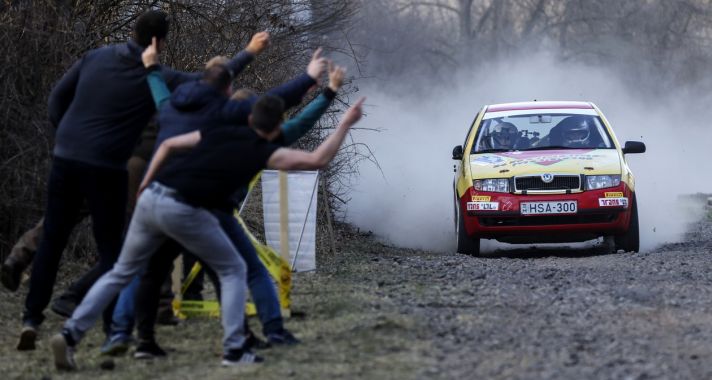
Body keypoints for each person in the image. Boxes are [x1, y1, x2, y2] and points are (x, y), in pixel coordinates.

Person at [49, 67, 366, 370]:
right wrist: (345, 123)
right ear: (274, 129)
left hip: (152, 198)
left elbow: (171, 143)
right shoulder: (261, 150)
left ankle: (71, 334)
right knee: (233, 270)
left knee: (121, 271)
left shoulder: (218, 127)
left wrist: (147, 183)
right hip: (185, 209)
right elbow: (316, 160)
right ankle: (235, 349)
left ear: (249, 116)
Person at [16, 9, 266, 351]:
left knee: (54, 240)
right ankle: (112, 331)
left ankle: (32, 318)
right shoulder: (156, 76)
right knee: (114, 255)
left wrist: (68, 135)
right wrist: (249, 51)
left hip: (67, 157)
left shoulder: (96, 56)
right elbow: (208, 82)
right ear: (158, 42)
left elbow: (58, 97)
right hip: (109, 168)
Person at [102, 46, 344, 357]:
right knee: (243, 270)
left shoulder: (186, 115)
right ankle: (267, 332)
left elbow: (162, 98)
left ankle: (124, 334)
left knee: (145, 269)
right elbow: (297, 124)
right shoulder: (248, 138)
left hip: (168, 201)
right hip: (209, 211)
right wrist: (327, 92)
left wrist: (152, 70)